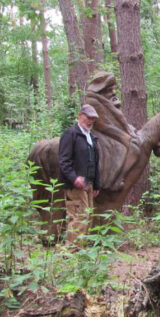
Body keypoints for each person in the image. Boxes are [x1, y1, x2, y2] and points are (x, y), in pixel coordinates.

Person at [59, 105, 101, 245]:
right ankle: (71, 253)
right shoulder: (70, 134)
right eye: (88, 117)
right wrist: (74, 178)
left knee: (88, 217)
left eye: (93, 119)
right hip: (75, 185)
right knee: (78, 217)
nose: (90, 121)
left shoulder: (91, 137)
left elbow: (95, 162)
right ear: (80, 116)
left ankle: (81, 250)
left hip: (89, 184)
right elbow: (64, 161)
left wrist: (97, 184)